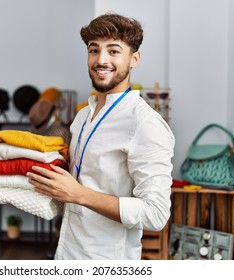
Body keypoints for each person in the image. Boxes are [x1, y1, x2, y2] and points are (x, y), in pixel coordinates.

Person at [26, 13, 175, 260]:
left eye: (114, 51)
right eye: (94, 51)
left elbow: (156, 214)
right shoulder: (82, 117)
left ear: (134, 59)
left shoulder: (145, 123)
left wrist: (78, 194)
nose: (101, 60)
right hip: (67, 252)